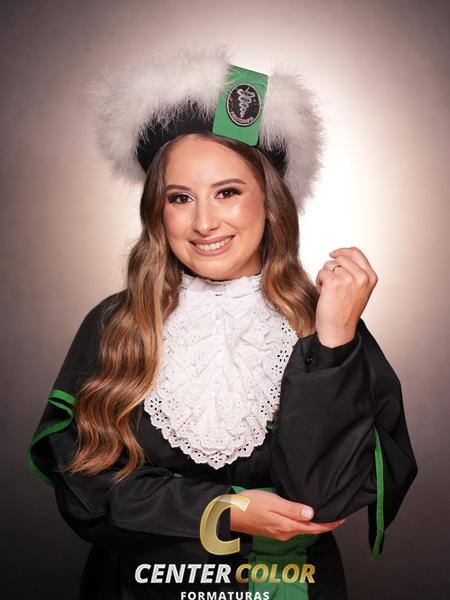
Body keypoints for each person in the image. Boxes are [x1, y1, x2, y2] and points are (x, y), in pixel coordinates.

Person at [27, 45, 418, 600]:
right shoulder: (116, 323)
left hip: (284, 589)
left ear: (270, 202)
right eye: (180, 198)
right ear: (158, 211)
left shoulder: (328, 325)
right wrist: (222, 510)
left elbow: (325, 499)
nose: (204, 222)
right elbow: (85, 491)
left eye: (228, 193)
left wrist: (331, 342)